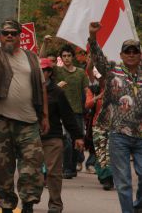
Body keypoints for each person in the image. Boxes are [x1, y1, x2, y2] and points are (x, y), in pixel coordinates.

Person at [0, 0, 49, 213]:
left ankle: (28, 205)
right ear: (0, 36)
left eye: (13, 33)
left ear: (19, 36)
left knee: (32, 168)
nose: (9, 36)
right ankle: (7, 206)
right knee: (2, 169)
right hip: (1, 123)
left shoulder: (32, 58)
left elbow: (41, 88)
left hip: (29, 122)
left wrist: (45, 116)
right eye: (5, 33)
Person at [88, 22, 142, 213]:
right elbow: (97, 58)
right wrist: (93, 37)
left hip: (141, 135)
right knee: (124, 182)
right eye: (127, 51)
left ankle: (137, 206)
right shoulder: (112, 71)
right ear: (121, 55)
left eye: (135, 51)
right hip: (119, 135)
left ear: (140, 54)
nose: (131, 54)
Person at [39, 58, 84, 213]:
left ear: (49, 73)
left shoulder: (57, 92)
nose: (41, 73)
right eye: (38, 70)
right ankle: (29, 200)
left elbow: (68, 116)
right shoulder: (29, 90)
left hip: (53, 136)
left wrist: (78, 136)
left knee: (53, 173)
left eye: (44, 70)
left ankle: (55, 204)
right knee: (31, 173)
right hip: (31, 137)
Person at [42, 37, 89, 178]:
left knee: (76, 141)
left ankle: (73, 167)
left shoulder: (80, 73)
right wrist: (45, 43)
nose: (67, 58)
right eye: (64, 56)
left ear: (73, 57)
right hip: (60, 111)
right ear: (61, 58)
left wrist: (88, 105)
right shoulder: (58, 71)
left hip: (77, 111)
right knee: (67, 141)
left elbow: (86, 90)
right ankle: (67, 168)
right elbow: (43, 60)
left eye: (69, 56)